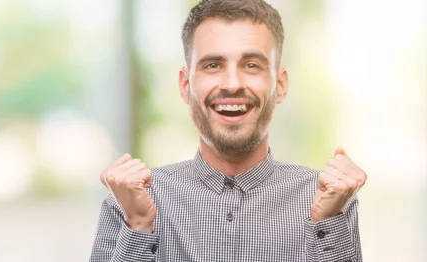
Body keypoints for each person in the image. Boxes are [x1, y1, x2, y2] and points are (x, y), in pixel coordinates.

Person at [90, 0, 366, 261]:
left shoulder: (329, 202)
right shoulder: (128, 202)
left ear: (280, 85)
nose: (232, 84)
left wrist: (327, 225)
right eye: (213, 65)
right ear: (186, 85)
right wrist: (138, 226)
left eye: (251, 65)